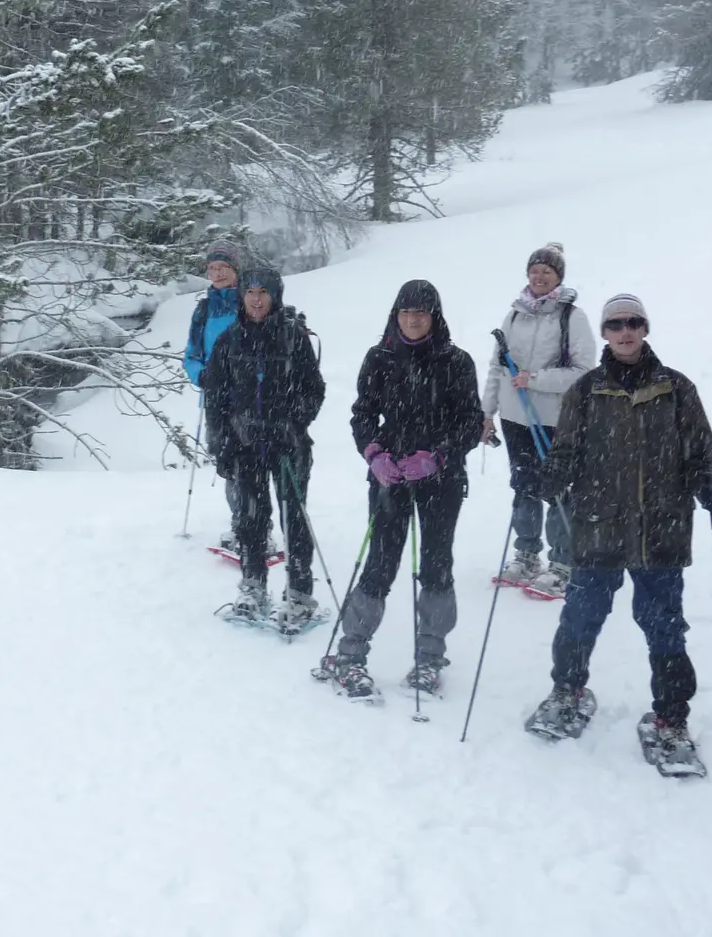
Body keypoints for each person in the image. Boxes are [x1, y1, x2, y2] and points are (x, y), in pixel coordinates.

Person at [525, 295, 712, 771]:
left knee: (665, 627)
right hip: (599, 528)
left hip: (662, 530)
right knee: (581, 616)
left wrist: (707, 480)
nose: (625, 331)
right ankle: (567, 692)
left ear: (645, 328)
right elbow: (566, 451)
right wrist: (549, 476)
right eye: (616, 324)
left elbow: (701, 447)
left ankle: (670, 719)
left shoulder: (676, 388)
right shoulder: (586, 391)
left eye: (633, 322)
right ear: (607, 332)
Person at [319, 280, 483, 700]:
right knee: (380, 564)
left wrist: (438, 456)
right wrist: (373, 452)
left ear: (435, 317)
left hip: (440, 481)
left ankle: (430, 657)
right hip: (390, 477)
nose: (413, 320)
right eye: (407, 313)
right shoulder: (380, 358)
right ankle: (350, 654)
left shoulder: (456, 361)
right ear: (396, 316)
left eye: (422, 313)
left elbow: (470, 422)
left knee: (436, 565)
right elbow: (362, 414)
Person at [200, 266, 325, 630]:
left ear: (275, 296)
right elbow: (216, 398)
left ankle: (300, 592)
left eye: (263, 293)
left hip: (288, 445)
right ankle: (253, 585)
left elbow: (313, 389)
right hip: (244, 445)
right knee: (251, 520)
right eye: (250, 292)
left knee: (294, 518)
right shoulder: (229, 340)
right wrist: (221, 445)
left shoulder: (293, 338)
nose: (256, 299)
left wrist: (293, 422)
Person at [480, 242, 597, 599]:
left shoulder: (571, 316)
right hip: (516, 419)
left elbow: (583, 371)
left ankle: (562, 562)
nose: (539, 276)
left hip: (554, 420)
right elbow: (497, 367)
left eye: (547, 270)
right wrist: (487, 413)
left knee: (558, 489)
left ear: (558, 276)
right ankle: (526, 555)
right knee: (524, 485)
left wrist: (534, 379)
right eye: (535, 270)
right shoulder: (514, 315)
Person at [184, 241, 251, 553]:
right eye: (212, 268)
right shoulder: (203, 310)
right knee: (229, 463)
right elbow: (192, 354)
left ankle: (255, 525)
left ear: (236, 269)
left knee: (252, 463)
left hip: (251, 398)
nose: (217, 273)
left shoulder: (252, 301)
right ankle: (241, 524)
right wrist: (201, 376)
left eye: (223, 267)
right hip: (215, 400)